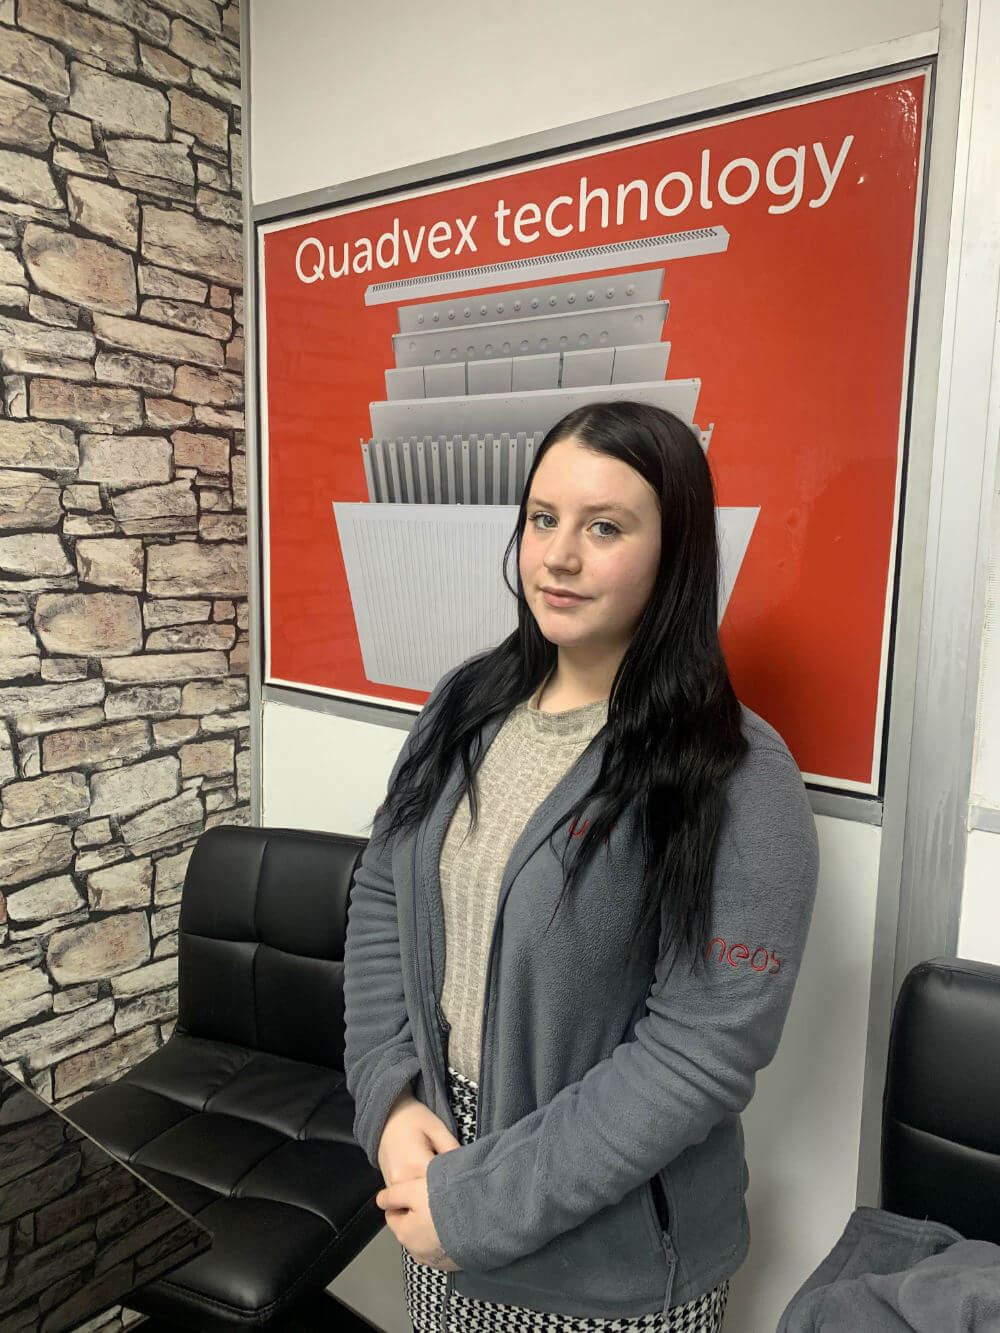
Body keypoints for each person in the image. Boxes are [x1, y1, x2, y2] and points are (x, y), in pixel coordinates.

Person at [343, 400, 820, 1332]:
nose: (558, 555)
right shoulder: (464, 706)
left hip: (609, 1257)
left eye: (604, 527)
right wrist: (389, 1100)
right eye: (543, 518)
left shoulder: (735, 772)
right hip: (436, 1178)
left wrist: (482, 1203)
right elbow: (380, 900)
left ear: (674, 554)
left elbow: (700, 1051)